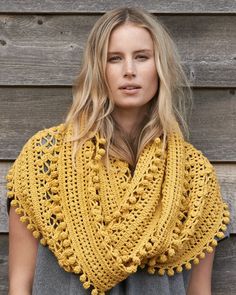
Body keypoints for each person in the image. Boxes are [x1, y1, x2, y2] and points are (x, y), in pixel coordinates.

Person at [6, 6, 230, 295]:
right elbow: (19, 285)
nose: (129, 70)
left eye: (142, 57)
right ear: (98, 69)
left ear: (159, 66)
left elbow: (199, 291)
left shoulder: (195, 176)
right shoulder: (44, 159)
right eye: (114, 59)